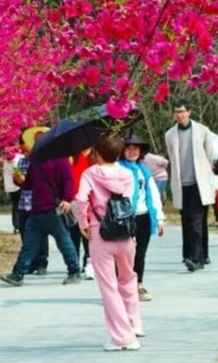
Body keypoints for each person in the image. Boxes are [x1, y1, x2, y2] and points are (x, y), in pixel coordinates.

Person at [74, 135, 142, 351]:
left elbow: (81, 200)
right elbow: (129, 200)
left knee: (109, 287)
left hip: (100, 232)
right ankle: (134, 324)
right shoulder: (127, 173)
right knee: (128, 278)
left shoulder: (90, 173)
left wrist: (83, 222)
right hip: (126, 233)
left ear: (98, 153)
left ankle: (123, 338)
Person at [0, 150, 83, 287]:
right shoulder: (36, 162)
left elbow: (69, 181)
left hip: (53, 209)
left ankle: (74, 271)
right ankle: (18, 273)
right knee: (29, 244)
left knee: (64, 242)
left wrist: (67, 199)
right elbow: (29, 185)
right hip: (37, 209)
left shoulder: (61, 160)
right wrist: (19, 180)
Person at [164, 99, 218, 272]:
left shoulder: (202, 131)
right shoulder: (170, 134)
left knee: (196, 221)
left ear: (189, 112)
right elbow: (172, 158)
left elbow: (210, 155)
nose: (179, 115)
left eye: (182, 111)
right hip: (182, 184)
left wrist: (210, 179)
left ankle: (195, 259)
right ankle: (197, 255)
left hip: (199, 183)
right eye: (176, 112)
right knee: (188, 221)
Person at [120, 135, 165, 302]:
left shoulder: (144, 170)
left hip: (143, 216)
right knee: (124, 254)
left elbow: (153, 194)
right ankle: (123, 286)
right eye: (128, 148)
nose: (132, 152)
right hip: (125, 217)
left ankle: (138, 285)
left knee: (140, 253)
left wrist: (159, 218)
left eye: (135, 148)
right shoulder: (118, 169)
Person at [13, 127, 50, 274]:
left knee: (41, 234)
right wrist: (18, 180)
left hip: (41, 203)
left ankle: (42, 262)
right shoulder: (23, 161)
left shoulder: (47, 161)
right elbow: (21, 182)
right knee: (25, 233)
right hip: (24, 202)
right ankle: (30, 263)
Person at [69, 148, 95, 279]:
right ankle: (74, 265)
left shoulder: (95, 156)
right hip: (72, 200)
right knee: (73, 234)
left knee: (88, 233)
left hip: (90, 201)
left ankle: (89, 262)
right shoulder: (71, 156)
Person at [3, 153, 22, 234]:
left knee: (15, 207)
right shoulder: (18, 158)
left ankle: (16, 226)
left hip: (10, 187)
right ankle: (20, 226)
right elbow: (18, 171)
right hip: (18, 186)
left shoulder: (6, 161)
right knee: (20, 207)